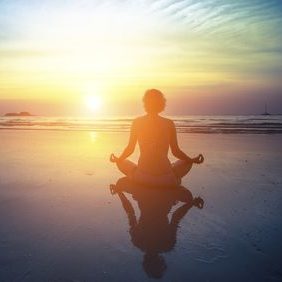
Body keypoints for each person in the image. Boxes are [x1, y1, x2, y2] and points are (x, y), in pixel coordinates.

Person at [110, 89, 204, 187]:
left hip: (142, 177)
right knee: (186, 162)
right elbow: (176, 151)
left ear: (145, 103)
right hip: (167, 179)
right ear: (161, 104)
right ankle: (175, 169)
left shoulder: (137, 122)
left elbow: (130, 149)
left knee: (122, 162)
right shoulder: (169, 123)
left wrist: (118, 159)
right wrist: (192, 160)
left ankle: (130, 167)